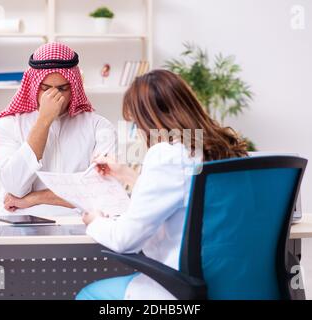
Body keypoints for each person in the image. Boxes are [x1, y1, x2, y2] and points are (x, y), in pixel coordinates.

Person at [77, 69, 247, 300]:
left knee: (89, 294)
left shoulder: (166, 154)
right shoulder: (225, 148)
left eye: (136, 123)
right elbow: (188, 194)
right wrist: (127, 175)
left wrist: (94, 221)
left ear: (151, 120)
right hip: (234, 283)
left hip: (184, 289)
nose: (139, 132)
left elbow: (125, 240)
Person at [0, 42, 116, 215]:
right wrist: (44, 121)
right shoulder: (6, 125)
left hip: (80, 227)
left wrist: (33, 198)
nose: (55, 97)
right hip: (18, 229)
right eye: (45, 88)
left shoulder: (99, 127)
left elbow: (100, 192)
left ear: (75, 87)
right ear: (33, 85)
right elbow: (15, 186)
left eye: (63, 89)